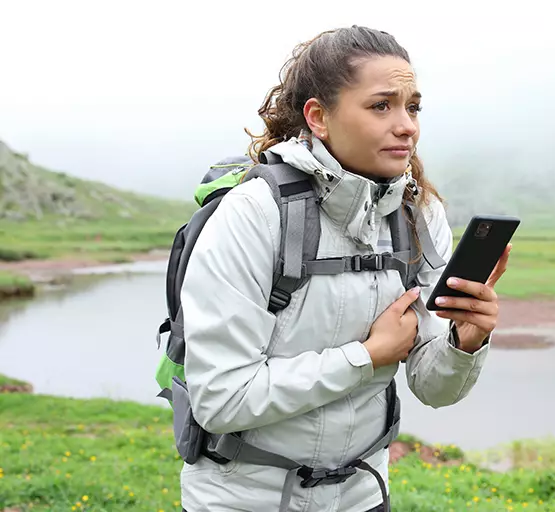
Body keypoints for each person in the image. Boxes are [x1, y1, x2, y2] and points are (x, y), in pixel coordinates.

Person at [177, 25, 510, 512]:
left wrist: (466, 340)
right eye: (381, 106)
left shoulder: (418, 215)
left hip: (362, 496)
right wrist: (367, 356)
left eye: (412, 107)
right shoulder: (255, 213)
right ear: (318, 117)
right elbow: (221, 400)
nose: (407, 126)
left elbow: (434, 389)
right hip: (243, 500)